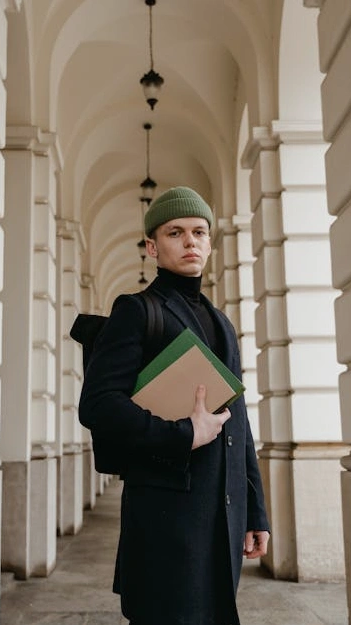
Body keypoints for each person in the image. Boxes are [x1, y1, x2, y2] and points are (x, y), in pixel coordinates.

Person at [79, 186, 270, 625]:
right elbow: (98, 405)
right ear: (152, 246)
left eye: (199, 232)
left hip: (222, 518)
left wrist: (254, 509)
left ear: (209, 242)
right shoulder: (136, 310)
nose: (190, 241)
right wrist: (184, 434)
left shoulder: (222, 322)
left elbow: (238, 421)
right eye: (175, 232)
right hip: (164, 519)